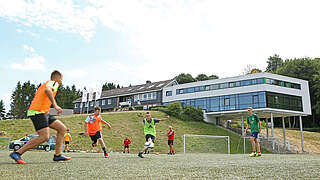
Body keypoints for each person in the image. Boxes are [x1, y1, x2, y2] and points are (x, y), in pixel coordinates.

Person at [10, 70, 70, 164]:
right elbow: (47, 90)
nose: (61, 81)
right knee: (44, 137)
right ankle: (17, 153)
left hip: (44, 112)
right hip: (37, 112)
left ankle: (57, 155)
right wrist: (55, 105)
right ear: (57, 78)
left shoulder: (47, 83)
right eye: (61, 79)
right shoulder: (53, 83)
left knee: (62, 128)